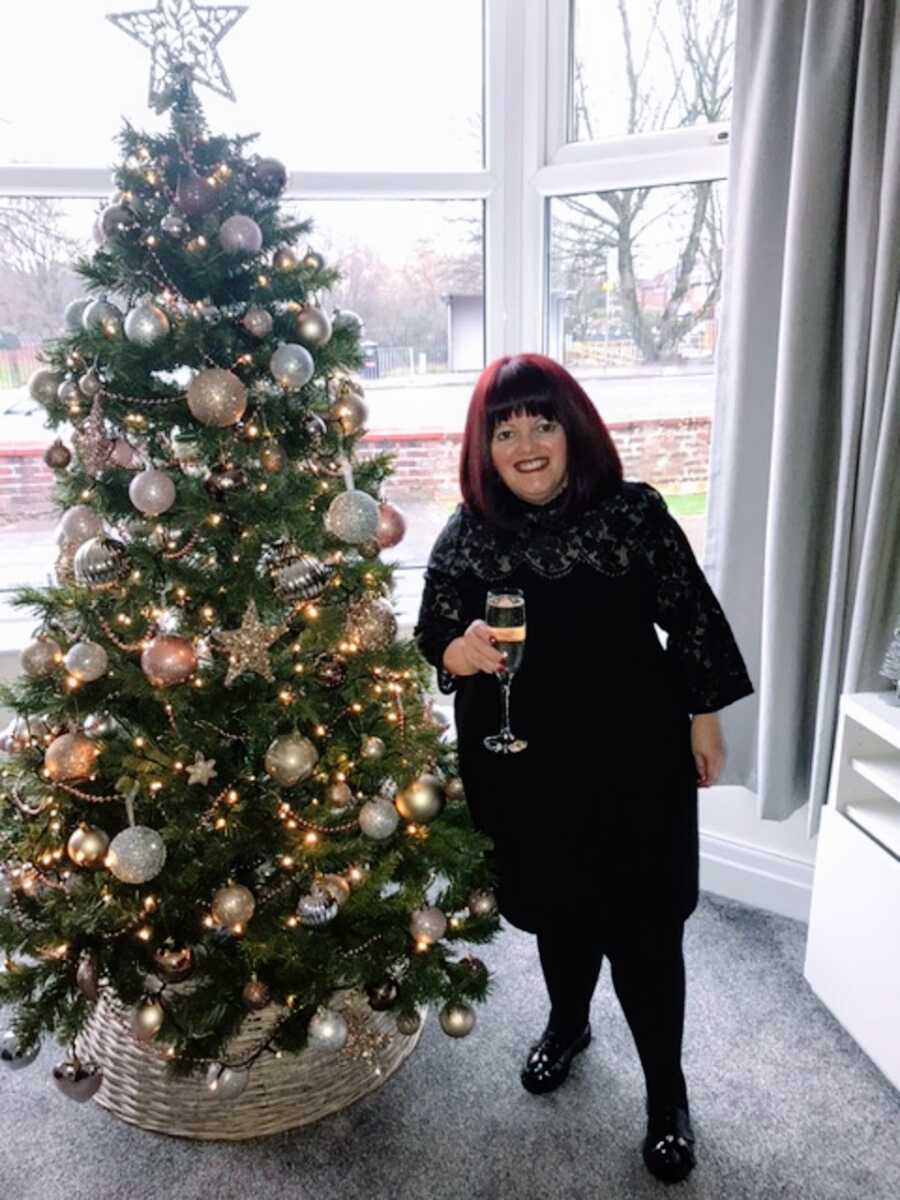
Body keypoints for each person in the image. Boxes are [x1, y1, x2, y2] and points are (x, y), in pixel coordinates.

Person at [413, 353, 754, 1185]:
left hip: (635, 756)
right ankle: (568, 1025)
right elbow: (434, 630)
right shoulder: (468, 530)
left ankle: (666, 1094)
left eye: (543, 423)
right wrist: (454, 648)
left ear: (573, 432)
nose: (526, 444)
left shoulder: (632, 516)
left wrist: (702, 715)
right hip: (522, 764)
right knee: (560, 914)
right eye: (505, 430)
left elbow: (693, 616)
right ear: (483, 448)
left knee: (644, 930)